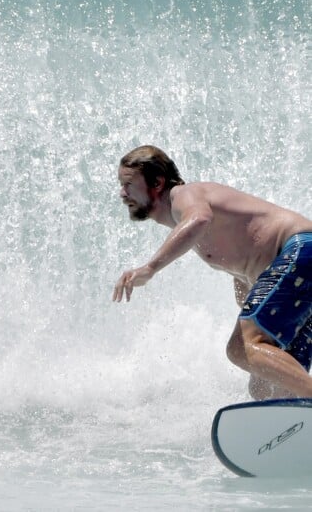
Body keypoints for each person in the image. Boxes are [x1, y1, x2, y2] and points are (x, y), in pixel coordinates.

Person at [113, 145, 312, 400]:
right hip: (300, 263)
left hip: (302, 248)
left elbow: (199, 219)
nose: (122, 192)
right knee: (266, 388)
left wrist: (149, 268)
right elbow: (249, 270)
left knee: (242, 348)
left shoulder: (184, 195)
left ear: (158, 182)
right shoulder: (201, 229)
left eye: (128, 184)